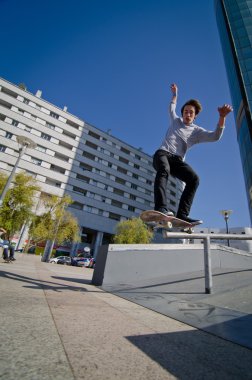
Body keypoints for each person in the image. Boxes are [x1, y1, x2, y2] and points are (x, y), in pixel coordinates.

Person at [153, 83, 233, 224]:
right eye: (185, 112)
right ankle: (161, 208)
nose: (188, 114)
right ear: (182, 113)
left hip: (177, 161)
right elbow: (172, 106)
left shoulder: (196, 132)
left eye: (191, 112)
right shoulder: (175, 120)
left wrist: (222, 117)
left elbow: (215, 136)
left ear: (195, 116)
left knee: (194, 179)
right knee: (164, 169)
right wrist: (175, 94)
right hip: (162, 154)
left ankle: (182, 215)